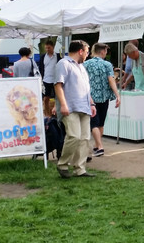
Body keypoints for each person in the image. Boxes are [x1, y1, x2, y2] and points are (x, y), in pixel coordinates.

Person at [54, 40, 96, 178]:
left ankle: (80, 169)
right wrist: (63, 105)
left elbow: (86, 89)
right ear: (80, 51)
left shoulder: (82, 67)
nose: (87, 55)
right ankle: (62, 164)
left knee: (84, 138)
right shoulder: (64, 64)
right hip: (70, 107)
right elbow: (58, 85)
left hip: (84, 106)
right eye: (87, 52)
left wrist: (91, 103)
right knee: (74, 136)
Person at [83, 43, 120, 158]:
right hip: (104, 98)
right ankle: (98, 145)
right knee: (101, 123)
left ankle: (99, 146)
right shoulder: (107, 65)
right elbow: (111, 80)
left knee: (93, 123)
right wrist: (117, 95)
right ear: (103, 51)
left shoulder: (86, 64)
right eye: (106, 51)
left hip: (91, 98)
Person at [39, 40, 60, 116]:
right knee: (46, 98)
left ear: (53, 47)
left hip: (56, 79)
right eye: (46, 48)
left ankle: (56, 112)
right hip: (46, 79)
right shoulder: (43, 57)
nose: (47, 49)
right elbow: (41, 67)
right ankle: (47, 114)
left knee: (57, 97)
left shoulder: (58, 56)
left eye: (49, 48)